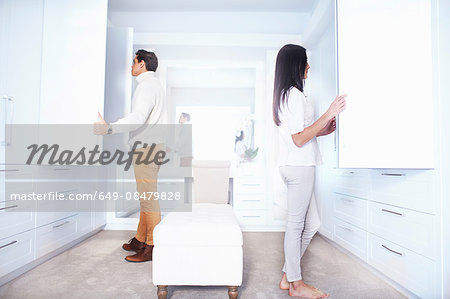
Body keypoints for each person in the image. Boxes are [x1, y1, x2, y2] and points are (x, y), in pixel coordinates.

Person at [273, 44, 346, 298]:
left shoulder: (289, 95)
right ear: (296, 64)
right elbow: (298, 139)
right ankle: (296, 284)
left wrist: (323, 129)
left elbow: (302, 133)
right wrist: (328, 114)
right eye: (306, 61)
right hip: (298, 166)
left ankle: (287, 276)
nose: (309, 67)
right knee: (296, 225)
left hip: (296, 164)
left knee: (311, 223)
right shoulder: (292, 94)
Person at [94, 49, 167, 262]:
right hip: (154, 146)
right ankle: (140, 238)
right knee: (146, 196)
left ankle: (152, 246)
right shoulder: (155, 85)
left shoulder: (146, 87)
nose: (131, 66)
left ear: (142, 64)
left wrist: (109, 128)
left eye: (134, 62)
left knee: (148, 198)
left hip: (147, 148)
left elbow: (137, 119)